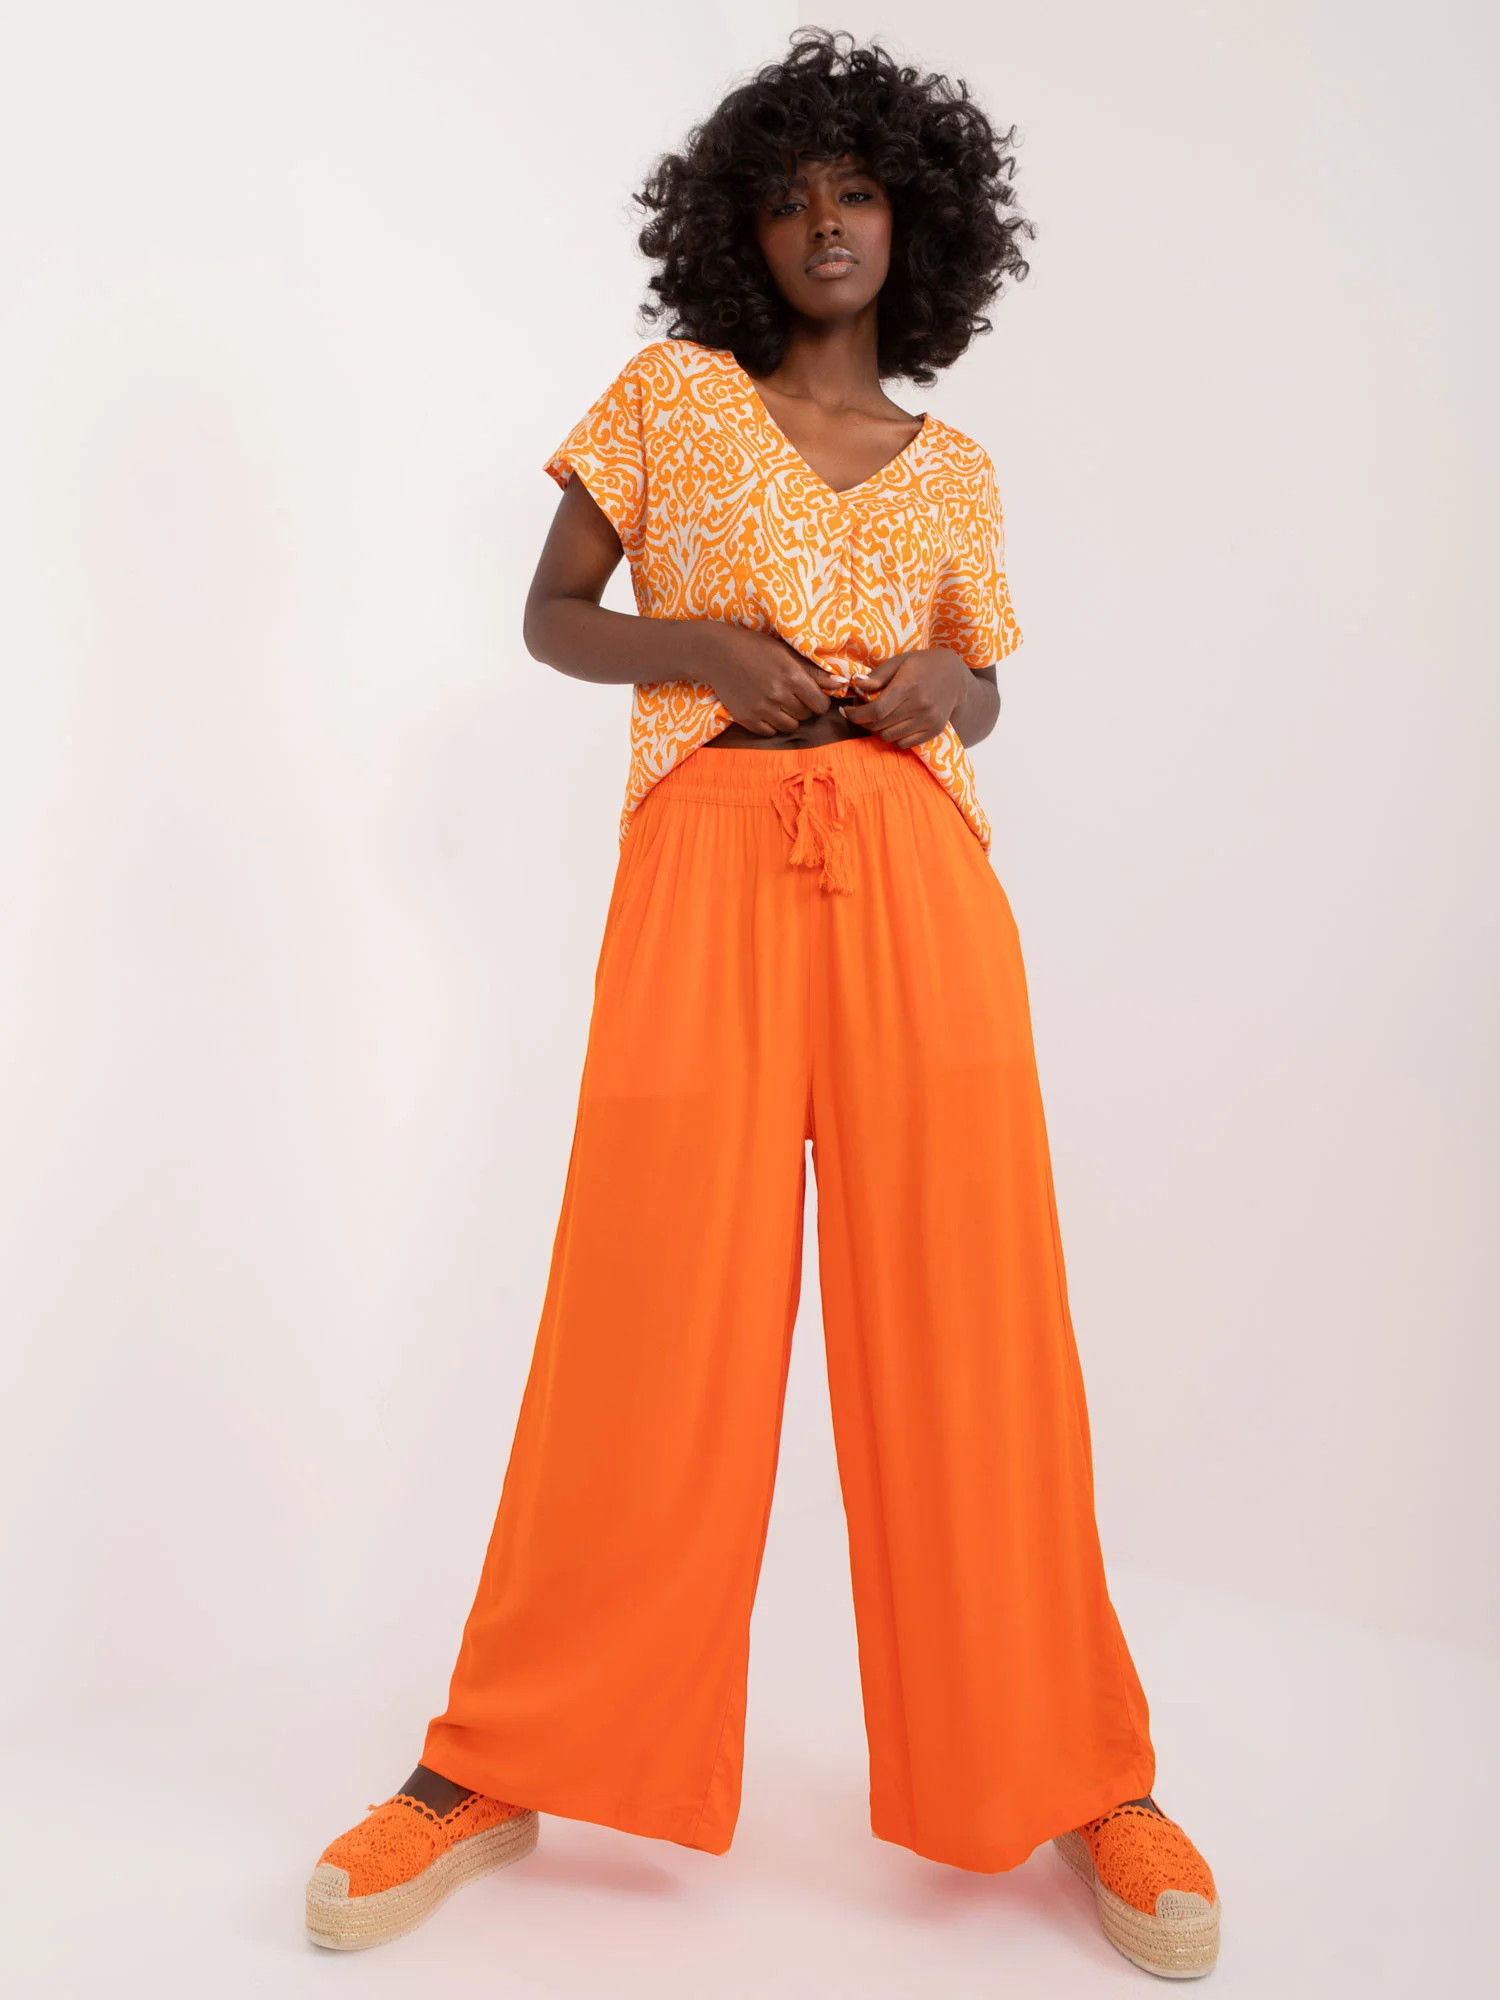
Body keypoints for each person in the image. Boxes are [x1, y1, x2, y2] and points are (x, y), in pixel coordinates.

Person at [303, 29, 1220, 1980]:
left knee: (976, 1323)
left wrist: (954, 691)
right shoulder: (669, 399)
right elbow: (551, 615)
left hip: (917, 881)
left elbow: (984, 678)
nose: (826, 225)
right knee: (647, 1310)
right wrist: (698, 645)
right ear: (741, 227)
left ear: (916, 222)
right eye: (792, 197)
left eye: (858, 192)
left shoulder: (958, 470)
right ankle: (492, 1762)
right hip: (708, 860)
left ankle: (1081, 1772)